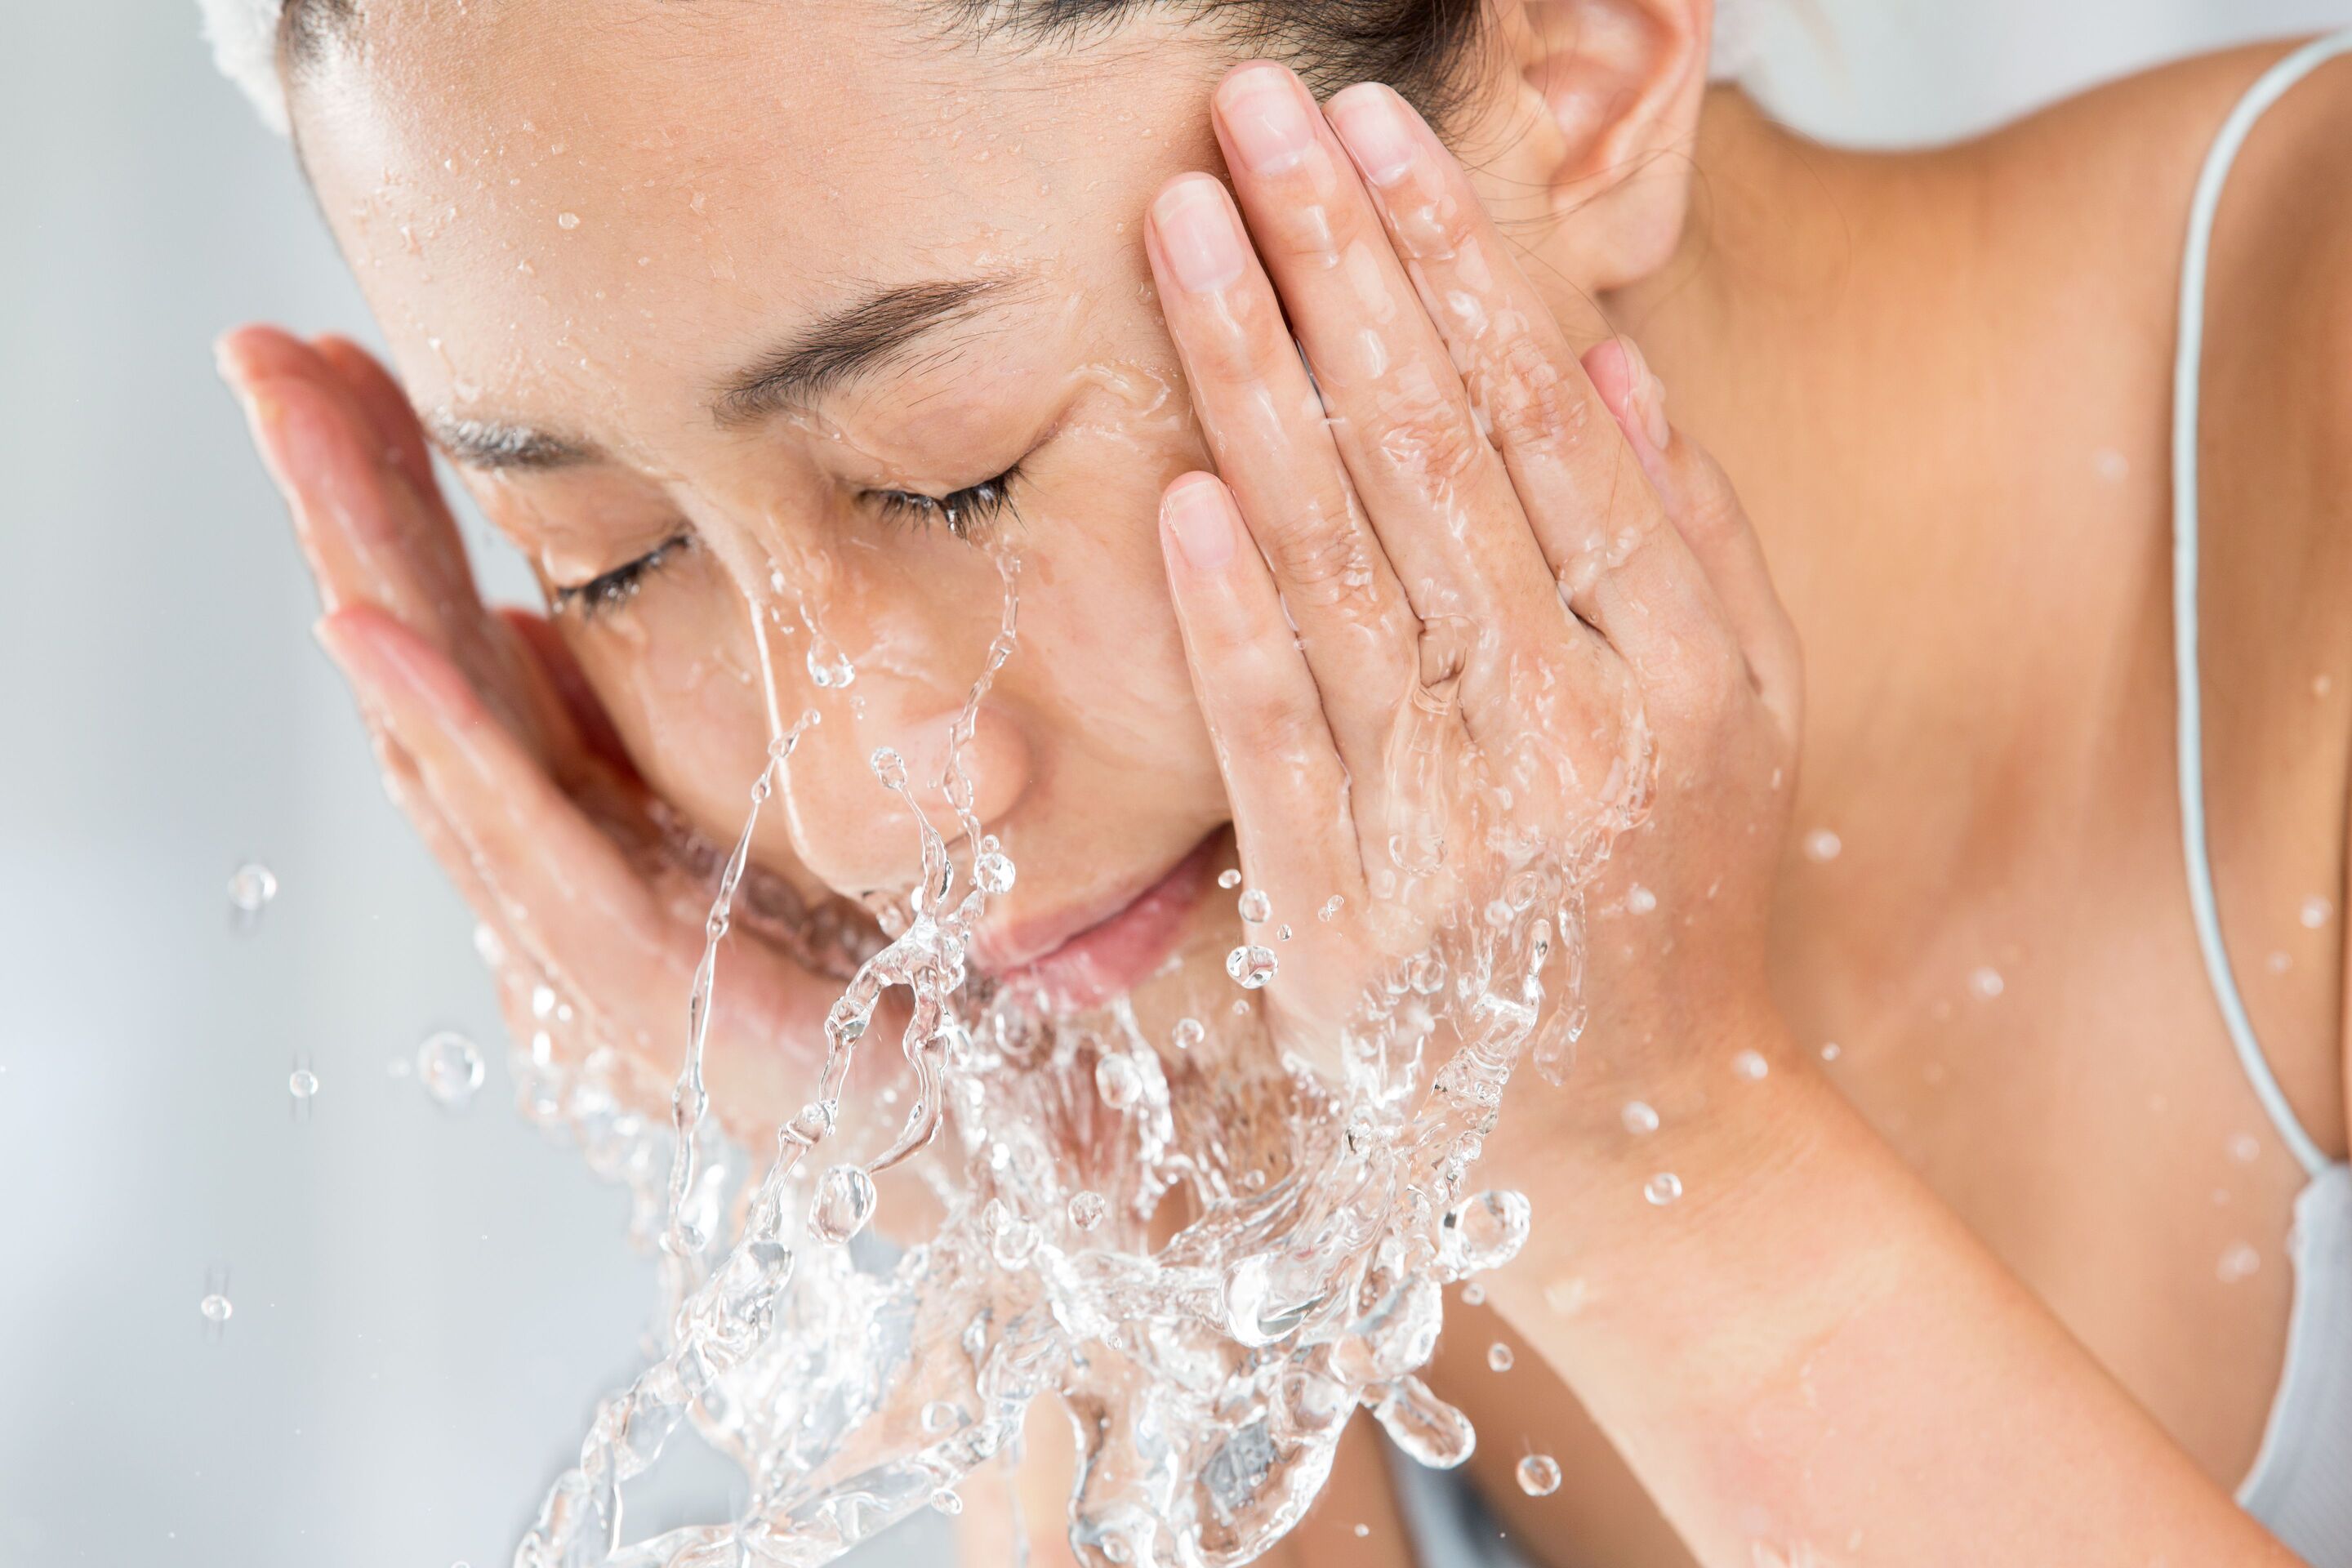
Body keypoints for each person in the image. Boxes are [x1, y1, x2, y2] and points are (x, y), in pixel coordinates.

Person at [207, 2, 2351, 1563]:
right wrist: (1095, 1283)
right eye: (611, 556)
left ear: (1575, 58)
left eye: (953, 476)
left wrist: (1670, 1169)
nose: (856, 809)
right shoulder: (1182, 989)